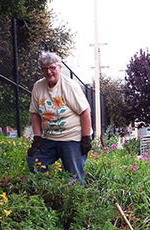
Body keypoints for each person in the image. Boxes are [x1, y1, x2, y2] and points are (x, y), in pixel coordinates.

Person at [27, 51, 92, 185]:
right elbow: (35, 113)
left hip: (72, 138)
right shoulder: (38, 87)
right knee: (34, 161)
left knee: (75, 177)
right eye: (45, 69)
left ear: (59, 68)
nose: (49, 72)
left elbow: (85, 111)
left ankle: (75, 203)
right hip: (49, 138)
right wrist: (37, 137)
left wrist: (86, 138)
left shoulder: (69, 86)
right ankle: (46, 191)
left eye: (52, 68)